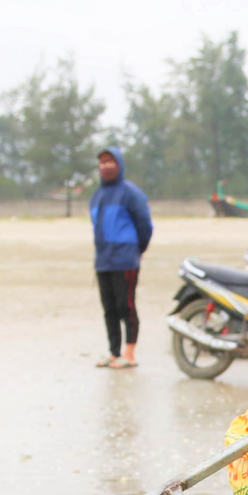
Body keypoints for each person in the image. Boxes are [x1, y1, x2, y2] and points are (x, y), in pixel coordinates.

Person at [89, 146, 152, 368]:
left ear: (120, 164)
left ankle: (130, 353)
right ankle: (113, 352)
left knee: (126, 306)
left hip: (125, 259)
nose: (106, 166)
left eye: (110, 162)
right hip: (103, 260)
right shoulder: (97, 195)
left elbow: (144, 224)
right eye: (102, 162)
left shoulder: (131, 193)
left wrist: (139, 250)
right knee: (109, 308)